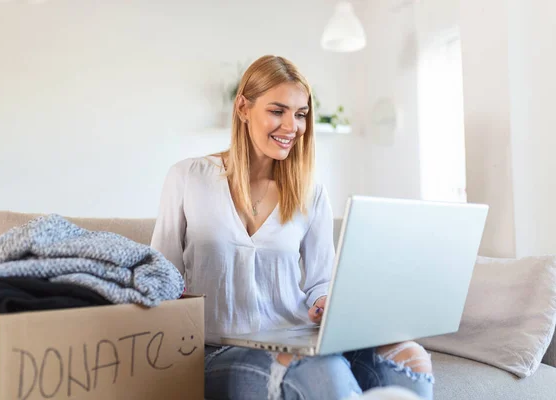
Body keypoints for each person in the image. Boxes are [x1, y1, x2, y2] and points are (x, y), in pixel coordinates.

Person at [151, 55, 434, 400]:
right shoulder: (188, 178)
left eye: (300, 114)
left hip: (297, 335)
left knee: (411, 356)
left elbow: (320, 282)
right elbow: (160, 280)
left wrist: (326, 302)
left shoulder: (310, 193)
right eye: (277, 111)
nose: (292, 126)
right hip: (217, 349)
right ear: (243, 107)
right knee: (320, 369)